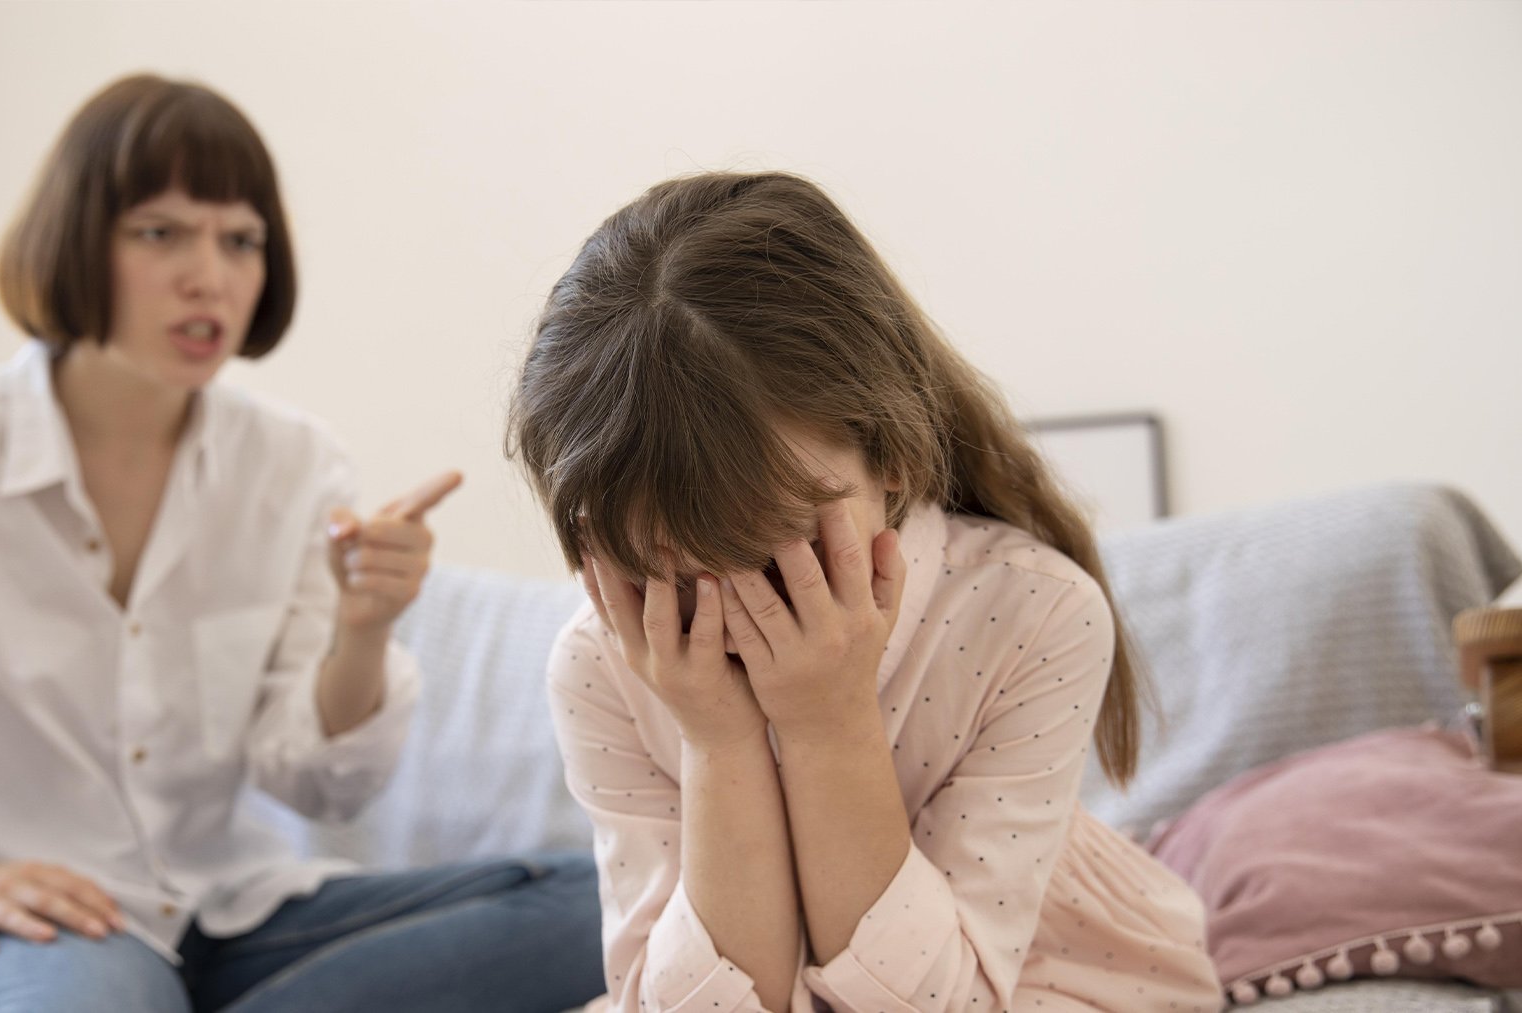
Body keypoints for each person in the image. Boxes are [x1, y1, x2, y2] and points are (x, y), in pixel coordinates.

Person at [0, 74, 601, 1013]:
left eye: (240, 240)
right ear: (75, 241)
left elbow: (316, 782)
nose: (209, 275)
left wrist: (364, 631)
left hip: (226, 914)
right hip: (22, 932)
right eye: (161, 232)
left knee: (613, 902)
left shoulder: (294, 468)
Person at [506, 172, 1225, 1012]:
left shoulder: (1033, 612)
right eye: (672, 559)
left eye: (773, 547)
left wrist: (828, 721)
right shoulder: (602, 659)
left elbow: (936, 1003)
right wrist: (719, 743)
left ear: (892, 454)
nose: (740, 604)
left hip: (1024, 976)